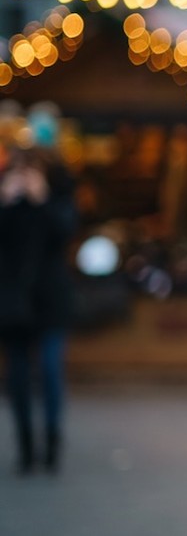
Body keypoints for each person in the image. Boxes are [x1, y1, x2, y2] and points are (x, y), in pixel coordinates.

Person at [0, 138, 76, 475]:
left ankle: (52, 438)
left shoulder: (56, 197)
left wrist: (41, 199)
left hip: (50, 299)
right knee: (16, 374)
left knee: (49, 368)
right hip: (14, 301)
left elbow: (66, 232)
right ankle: (26, 444)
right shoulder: (7, 203)